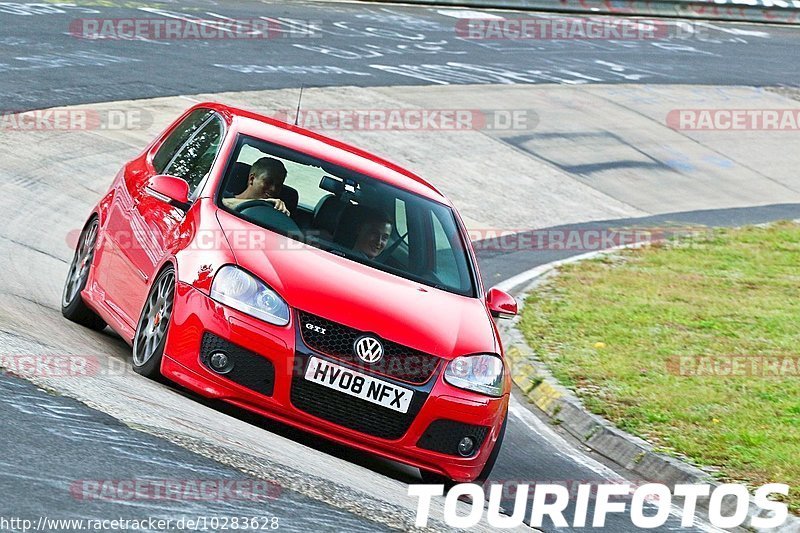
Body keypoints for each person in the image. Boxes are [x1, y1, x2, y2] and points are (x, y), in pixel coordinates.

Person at [222, 157, 290, 215]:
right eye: (268, 182)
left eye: (278, 185)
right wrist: (260, 202)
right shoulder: (222, 196)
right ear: (252, 179)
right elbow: (222, 203)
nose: (273, 189)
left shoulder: (275, 213)